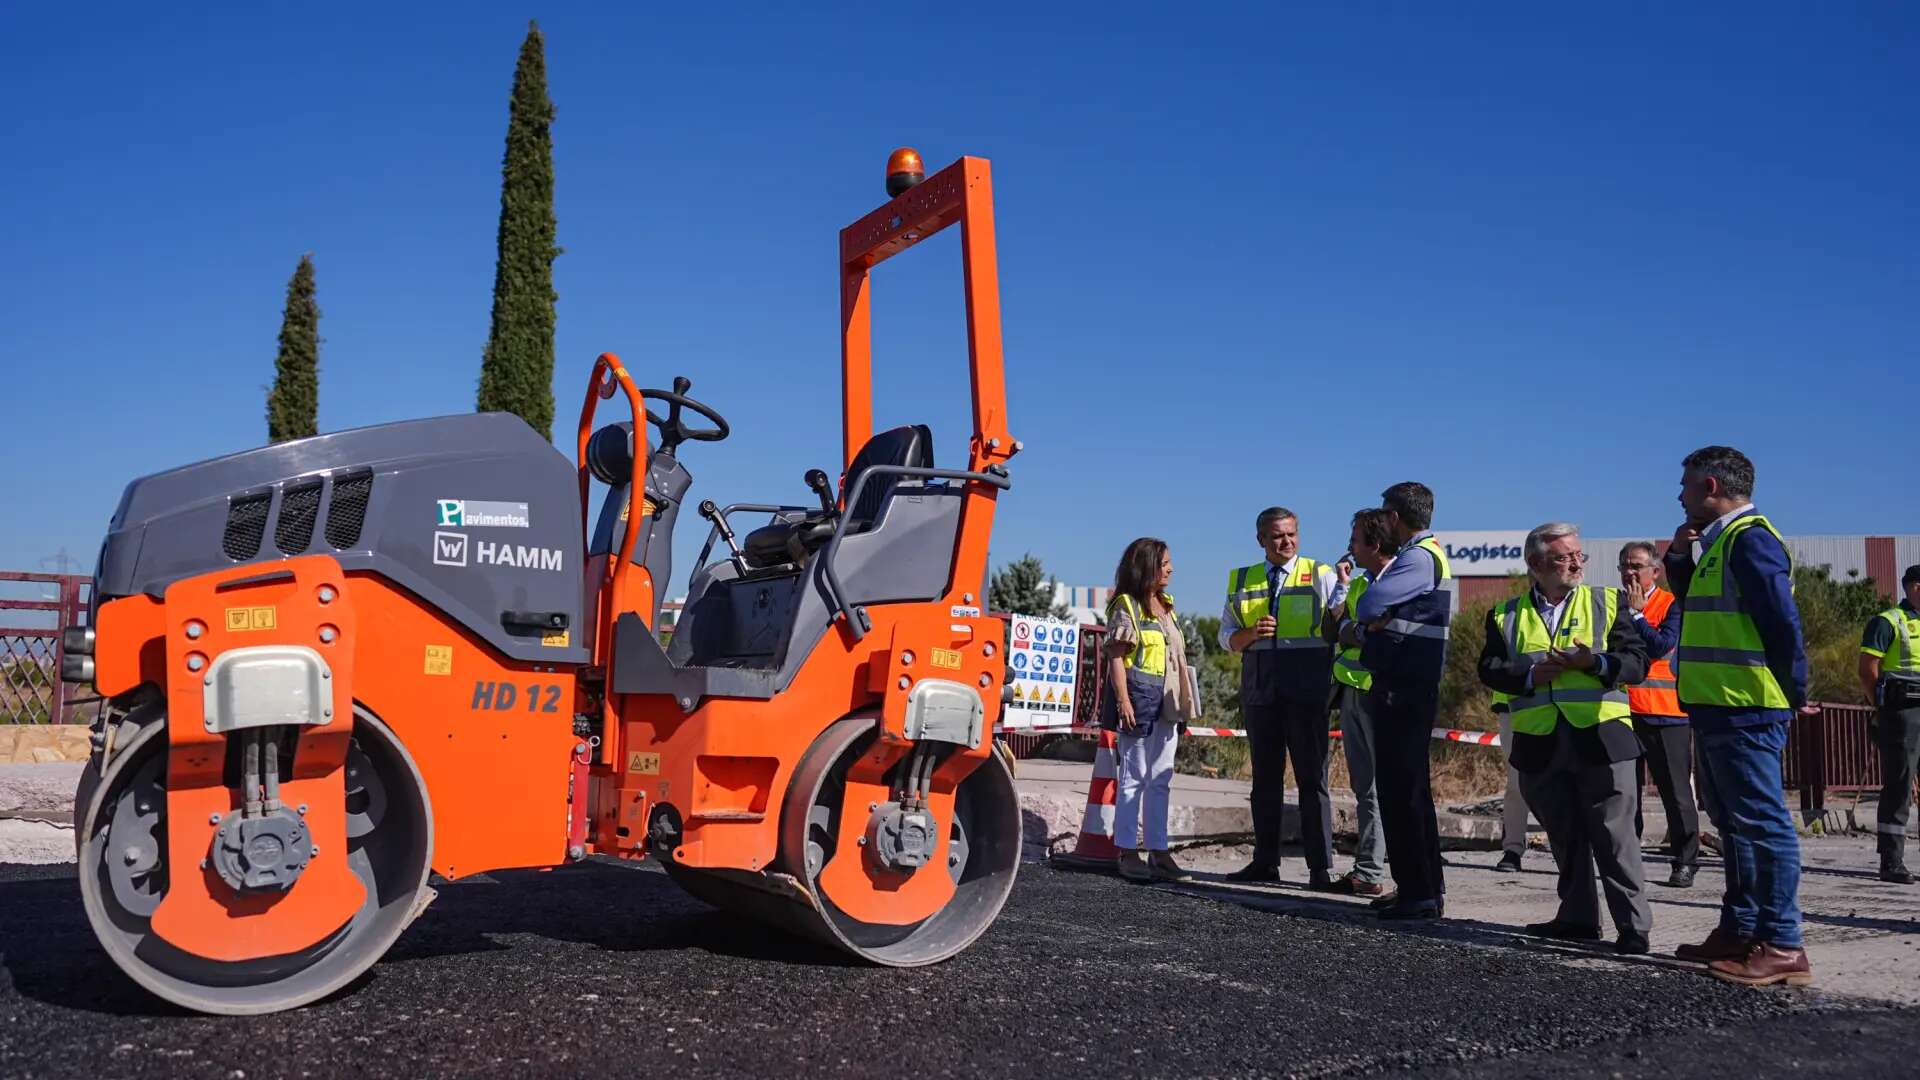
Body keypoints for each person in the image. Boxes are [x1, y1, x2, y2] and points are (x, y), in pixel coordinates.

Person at [1665, 445, 1814, 987]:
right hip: (1715, 704)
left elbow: (1782, 622)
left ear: (1709, 486)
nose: (1677, 496)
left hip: (1746, 704)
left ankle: (1782, 943)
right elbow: (1693, 602)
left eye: (1684, 486)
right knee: (1733, 825)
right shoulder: (1718, 542)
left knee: (1762, 824)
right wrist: (1679, 557)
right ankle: (1741, 927)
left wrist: (1792, 692)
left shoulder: (1750, 539)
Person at [1478, 523, 1653, 954]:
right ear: (1536, 564)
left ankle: (1633, 930)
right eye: (1563, 556)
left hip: (1601, 738)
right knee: (1564, 836)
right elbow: (1490, 669)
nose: (1576, 563)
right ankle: (1577, 920)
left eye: (1579, 556)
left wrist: (1594, 663)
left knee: (1615, 837)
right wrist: (1532, 674)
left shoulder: (1609, 603)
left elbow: (1636, 662)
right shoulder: (1505, 614)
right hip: (1540, 743)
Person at [1219, 508, 1345, 888]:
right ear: (1261, 540)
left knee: (1312, 781)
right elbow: (1226, 638)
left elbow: (1339, 620)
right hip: (1261, 692)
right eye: (1277, 536)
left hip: (1307, 693)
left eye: (1291, 534)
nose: (1286, 541)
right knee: (1265, 782)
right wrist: (1250, 634)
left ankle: (1320, 868)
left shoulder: (1320, 574)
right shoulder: (1243, 580)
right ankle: (1265, 862)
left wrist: (1343, 588)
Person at [1350, 482, 1451, 919]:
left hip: (1404, 685)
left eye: (1385, 513)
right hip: (1406, 683)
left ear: (1395, 516)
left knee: (1401, 792)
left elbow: (1370, 603)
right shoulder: (1425, 555)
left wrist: (1373, 622)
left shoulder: (1418, 557)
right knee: (1410, 792)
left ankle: (1418, 893)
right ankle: (1424, 887)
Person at [1102, 537, 1197, 884]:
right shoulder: (1126, 605)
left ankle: (1159, 851)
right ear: (1146, 566)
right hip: (1139, 700)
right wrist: (1124, 701)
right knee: (1134, 777)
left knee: (1160, 778)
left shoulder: (1167, 606)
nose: (1171, 568)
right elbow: (1116, 656)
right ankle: (1127, 850)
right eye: (1165, 562)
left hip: (1167, 704)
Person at [1620, 539, 1701, 888]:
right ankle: (1627, 857)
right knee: (1625, 794)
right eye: (1624, 564)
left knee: (1676, 793)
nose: (1629, 571)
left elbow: (1661, 646)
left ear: (1656, 570)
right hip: (1623, 713)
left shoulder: (1672, 605)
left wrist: (1637, 615)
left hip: (1667, 714)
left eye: (1637, 565)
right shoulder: (1612, 604)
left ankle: (1685, 860)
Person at [1328, 509, 1392, 896]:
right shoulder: (1357, 584)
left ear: (1375, 544)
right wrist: (1340, 587)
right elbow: (1332, 629)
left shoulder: (1396, 583)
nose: (1349, 547)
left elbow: (1375, 635)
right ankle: (1367, 871)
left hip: (1378, 693)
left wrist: (1353, 631)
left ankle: (1375, 871)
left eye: (1354, 541)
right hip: (1352, 689)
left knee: (1382, 788)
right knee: (1364, 787)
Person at [1858, 564, 1920, 885]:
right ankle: (1891, 861)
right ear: (1916, 588)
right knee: (1899, 786)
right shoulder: (1887, 622)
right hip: (1902, 713)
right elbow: (1868, 668)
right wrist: (1878, 706)